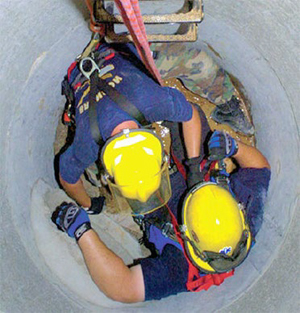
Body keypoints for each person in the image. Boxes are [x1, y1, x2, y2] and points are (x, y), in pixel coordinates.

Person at [52, 123, 271, 302]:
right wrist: (234, 148)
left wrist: (83, 231)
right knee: (187, 116)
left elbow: (122, 288)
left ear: (186, 232)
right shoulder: (245, 219)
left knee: (108, 162)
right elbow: (260, 169)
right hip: (197, 172)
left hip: (155, 206)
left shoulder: (181, 269)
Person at [58, 40, 204, 214]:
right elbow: (66, 177)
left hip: (108, 57)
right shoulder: (88, 141)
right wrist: (88, 205)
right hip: (99, 60)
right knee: (92, 174)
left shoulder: (153, 103)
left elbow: (191, 115)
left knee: (198, 63)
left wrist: (195, 166)